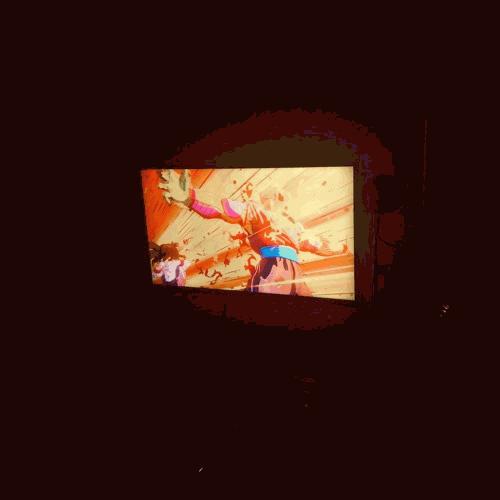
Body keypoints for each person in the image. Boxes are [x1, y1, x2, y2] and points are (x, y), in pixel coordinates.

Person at [158, 169, 347, 296]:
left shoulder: (294, 227)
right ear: (270, 199)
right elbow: (223, 210)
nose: (281, 197)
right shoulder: (256, 211)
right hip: (274, 268)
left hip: (295, 275)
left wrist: (341, 248)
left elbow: (316, 244)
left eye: (279, 194)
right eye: (274, 195)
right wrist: (190, 197)